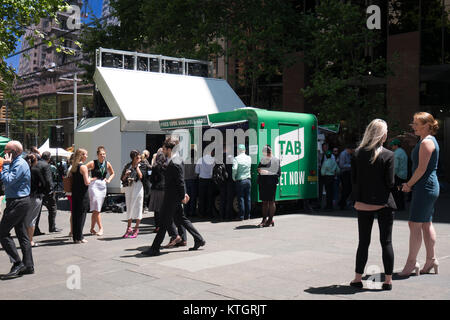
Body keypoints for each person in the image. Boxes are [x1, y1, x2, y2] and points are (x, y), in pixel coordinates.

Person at [349, 119, 396, 291]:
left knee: (363, 242)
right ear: (383, 135)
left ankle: (357, 278)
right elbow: (390, 183)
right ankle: (388, 281)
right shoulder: (388, 155)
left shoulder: (356, 153)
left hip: (362, 203)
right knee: (386, 242)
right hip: (383, 204)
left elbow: (353, 180)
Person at [142, 137, 205, 256]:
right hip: (173, 196)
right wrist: (184, 193)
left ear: (169, 149)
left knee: (164, 221)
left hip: (172, 197)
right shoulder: (175, 159)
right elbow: (180, 179)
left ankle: (155, 248)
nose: (163, 150)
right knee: (181, 219)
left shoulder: (175, 161)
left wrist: (183, 195)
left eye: (165, 148)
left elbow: (180, 180)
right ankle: (199, 239)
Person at [399, 112, 440, 276]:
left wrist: (408, 184)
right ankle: (431, 260)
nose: (413, 126)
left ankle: (412, 263)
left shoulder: (426, 143)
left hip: (424, 187)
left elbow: (421, 169)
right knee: (425, 224)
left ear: (426, 126)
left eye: (416, 124)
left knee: (414, 224)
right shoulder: (427, 141)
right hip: (428, 187)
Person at [0, 141, 34, 279]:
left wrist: (5, 166)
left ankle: (17, 263)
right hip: (18, 201)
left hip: (18, 202)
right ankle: (28, 265)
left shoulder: (18, 164)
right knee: (21, 234)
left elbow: (7, 181)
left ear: (14, 152)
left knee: (2, 232)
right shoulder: (17, 163)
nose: (3, 153)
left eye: (6, 150)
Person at [86, 146, 115, 236]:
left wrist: (109, 180)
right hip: (94, 185)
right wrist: (89, 178)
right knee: (97, 208)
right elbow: (83, 169)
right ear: (97, 155)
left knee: (96, 209)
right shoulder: (93, 163)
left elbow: (113, 173)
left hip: (102, 185)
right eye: (101, 154)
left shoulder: (107, 163)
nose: (103, 156)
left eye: (104, 154)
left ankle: (91, 228)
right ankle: (101, 228)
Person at [34, 151, 61, 235]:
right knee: (53, 208)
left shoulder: (36, 163)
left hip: (36, 191)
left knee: (37, 211)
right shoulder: (46, 165)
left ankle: (35, 229)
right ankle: (52, 227)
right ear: (49, 158)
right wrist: (51, 190)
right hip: (46, 191)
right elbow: (48, 180)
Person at [120, 150, 144, 238]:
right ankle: (129, 228)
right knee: (129, 207)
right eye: (137, 157)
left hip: (138, 187)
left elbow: (141, 176)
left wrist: (137, 167)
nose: (139, 159)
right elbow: (122, 179)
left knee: (138, 206)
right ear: (133, 158)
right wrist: (126, 175)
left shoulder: (142, 165)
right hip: (129, 187)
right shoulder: (127, 165)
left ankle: (136, 229)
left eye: (140, 157)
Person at [71, 148, 92, 244]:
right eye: (86, 154)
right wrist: (91, 178)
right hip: (83, 194)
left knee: (75, 215)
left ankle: (76, 237)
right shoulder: (83, 167)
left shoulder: (74, 166)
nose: (87, 156)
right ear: (82, 155)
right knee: (82, 215)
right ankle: (80, 237)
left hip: (75, 193)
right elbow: (87, 182)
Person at [24, 153, 46, 248]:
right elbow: (44, 184)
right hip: (35, 196)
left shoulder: (23, 170)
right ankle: (30, 241)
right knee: (32, 219)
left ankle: (25, 240)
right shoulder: (36, 170)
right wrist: (41, 191)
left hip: (24, 197)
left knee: (25, 219)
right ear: (36, 160)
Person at [257, 145, 280, 227]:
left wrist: (267, 172)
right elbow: (259, 168)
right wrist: (259, 170)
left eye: (265, 153)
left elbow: (278, 173)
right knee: (264, 202)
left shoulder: (276, 160)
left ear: (269, 152)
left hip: (271, 184)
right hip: (263, 183)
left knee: (271, 202)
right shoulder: (263, 159)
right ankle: (264, 219)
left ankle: (270, 219)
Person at [148, 151, 166, 233]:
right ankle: (164, 225)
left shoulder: (155, 167)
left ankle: (157, 226)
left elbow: (151, 179)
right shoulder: (166, 166)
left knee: (156, 209)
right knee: (164, 208)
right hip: (164, 189)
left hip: (156, 188)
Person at [232, 144, 252, 220]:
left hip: (240, 180)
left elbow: (234, 169)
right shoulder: (249, 158)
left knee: (241, 198)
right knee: (248, 198)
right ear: (245, 150)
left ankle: (241, 216)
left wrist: (234, 177)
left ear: (238, 150)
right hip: (248, 180)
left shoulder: (236, 159)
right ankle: (248, 215)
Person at [195, 149, 215, 218]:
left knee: (201, 197)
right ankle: (209, 213)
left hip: (202, 180)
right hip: (210, 180)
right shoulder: (213, 160)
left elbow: (196, 171)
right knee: (209, 197)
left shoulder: (200, 159)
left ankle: (201, 213)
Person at [389, 139, 408, 211]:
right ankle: (401, 206)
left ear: (396, 145)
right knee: (400, 191)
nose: (392, 147)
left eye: (392, 145)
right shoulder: (402, 151)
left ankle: (397, 206)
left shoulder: (396, 153)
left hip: (398, 176)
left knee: (396, 191)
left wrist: (391, 175)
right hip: (403, 175)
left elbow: (395, 166)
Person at [184, 147, 199, 218]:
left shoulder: (185, 161)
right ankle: (192, 212)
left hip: (186, 180)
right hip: (193, 180)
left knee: (186, 196)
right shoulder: (195, 161)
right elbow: (196, 172)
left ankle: (186, 211)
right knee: (193, 197)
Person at [338, 145, 353, 210]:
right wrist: (350, 165)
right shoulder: (343, 154)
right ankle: (342, 203)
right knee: (346, 189)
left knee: (348, 189)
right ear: (349, 149)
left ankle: (342, 202)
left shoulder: (348, 154)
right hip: (344, 173)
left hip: (348, 173)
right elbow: (341, 165)